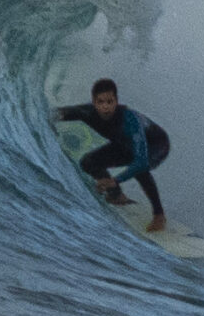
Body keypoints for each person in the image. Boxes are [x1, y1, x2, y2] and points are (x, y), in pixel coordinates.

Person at [55, 79, 171, 232]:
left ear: (116, 102)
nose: (105, 107)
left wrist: (115, 180)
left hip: (156, 145)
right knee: (89, 162)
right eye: (100, 102)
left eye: (110, 102)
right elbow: (58, 113)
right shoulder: (87, 112)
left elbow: (141, 161)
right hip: (124, 144)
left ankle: (159, 215)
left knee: (139, 168)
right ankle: (116, 196)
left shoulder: (130, 121)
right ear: (94, 102)